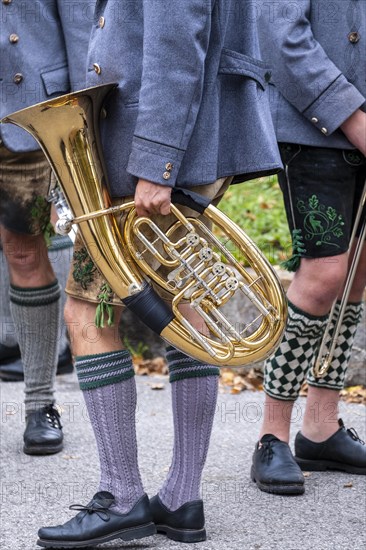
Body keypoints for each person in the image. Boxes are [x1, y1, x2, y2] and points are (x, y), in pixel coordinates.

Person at [35, 0, 282, 547]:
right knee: (189, 306)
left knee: (87, 313)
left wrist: (157, 163)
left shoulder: (153, 161)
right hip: (174, 137)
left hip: (147, 148)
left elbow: (176, 38)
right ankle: (181, 498)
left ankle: (122, 497)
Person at [250, 0, 366, 496]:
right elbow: (279, 33)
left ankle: (320, 427)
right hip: (313, 128)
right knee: (324, 274)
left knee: (360, 271)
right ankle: (271, 434)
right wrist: (354, 117)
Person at [0, 0, 93, 454]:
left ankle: (40, 405)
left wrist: (84, 110)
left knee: (25, 248)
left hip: (29, 114)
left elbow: (79, 23)